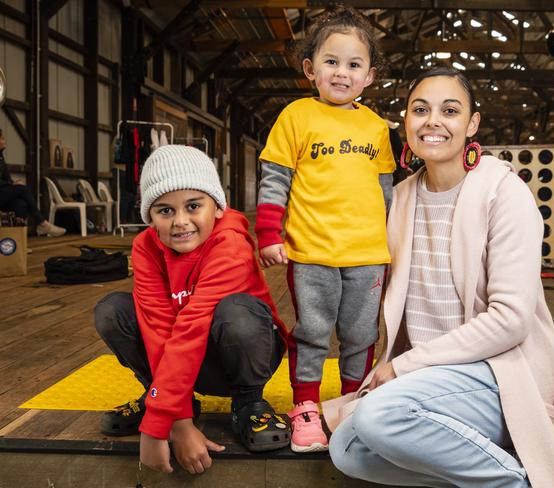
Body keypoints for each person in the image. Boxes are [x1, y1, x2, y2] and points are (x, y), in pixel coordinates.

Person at [326, 68, 554, 487]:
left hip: (498, 375)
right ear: (406, 122)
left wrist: (400, 368)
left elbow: (511, 319)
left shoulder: (503, 192)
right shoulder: (400, 198)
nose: (433, 120)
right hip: (429, 381)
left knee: (380, 418)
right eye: (420, 109)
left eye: (449, 110)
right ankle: (505, 475)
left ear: (471, 124)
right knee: (347, 449)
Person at [94, 145, 290, 474]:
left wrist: (163, 424)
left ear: (216, 207)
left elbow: (193, 326)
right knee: (113, 310)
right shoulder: (145, 247)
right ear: (149, 216)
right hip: (183, 362)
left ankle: (248, 401)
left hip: (238, 355)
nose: (180, 221)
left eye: (193, 206)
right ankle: (156, 394)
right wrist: (175, 420)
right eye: (164, 210)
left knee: (237, 311)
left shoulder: (230, 244)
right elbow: (157, 329)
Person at [254, 6, 395, 453]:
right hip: (311, 252)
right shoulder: (296, 116)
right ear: (310, 69)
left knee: (361, 335)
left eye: (354, 65)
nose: (342, 72)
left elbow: (385, 190)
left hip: (367, 255)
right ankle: (307, 408)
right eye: (331, 62)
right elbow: (275, 179)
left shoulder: (375, 127)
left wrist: (392, 240)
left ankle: (352, 403)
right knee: (313, 332)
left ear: (369, 76)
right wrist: (269, 235)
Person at [0, 129, 66, 236]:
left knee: (21, 204)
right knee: (23, 189)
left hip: (3, 194)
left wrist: (14, 183)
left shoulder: (0, 157)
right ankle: (42, 223)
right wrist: (15, 186)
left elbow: (6, 179)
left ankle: (19, 244)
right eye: (2, 138)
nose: (4, 140)